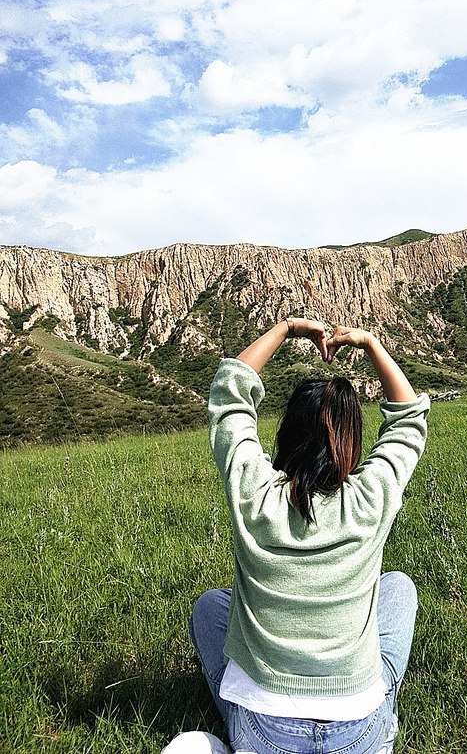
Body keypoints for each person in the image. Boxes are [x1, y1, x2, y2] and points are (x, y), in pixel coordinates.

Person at [186, 317, 430, 754]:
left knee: (210, 606)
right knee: (399, 589)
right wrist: (371, 344)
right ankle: (383, 725)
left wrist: (285, 329)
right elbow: (409, 419)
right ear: (352, 443)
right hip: (357, 732)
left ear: (285, 434)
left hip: (265, 733)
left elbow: (230, 391)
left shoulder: (256, 495)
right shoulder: (369, 499)